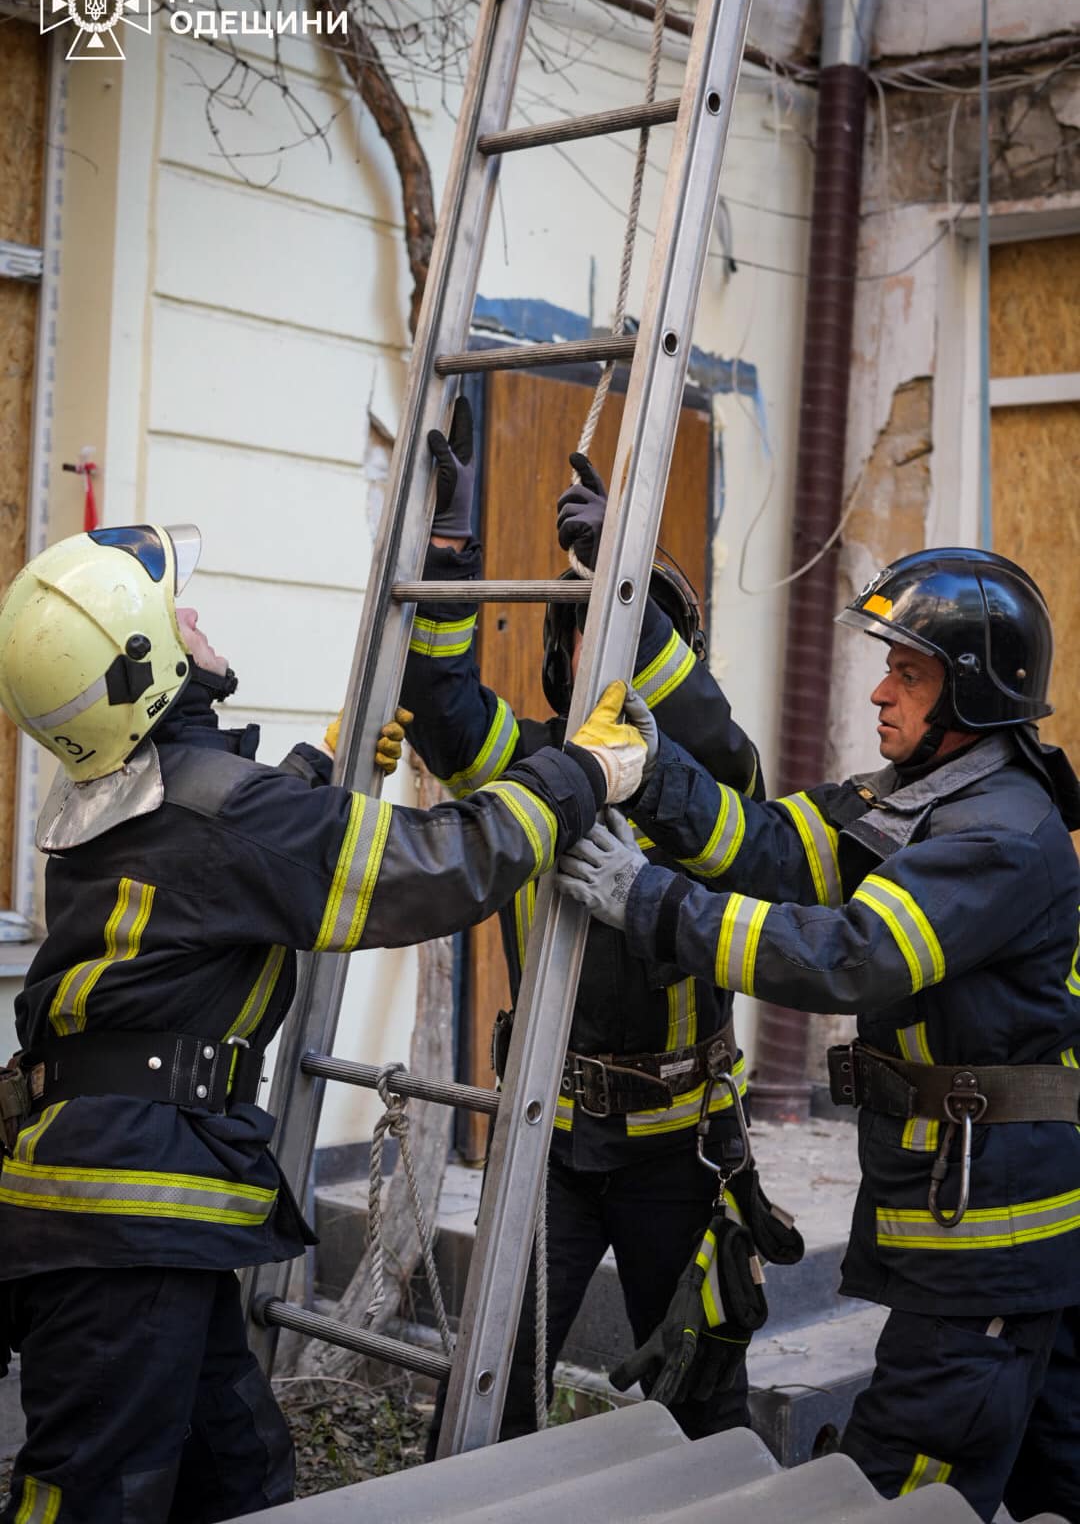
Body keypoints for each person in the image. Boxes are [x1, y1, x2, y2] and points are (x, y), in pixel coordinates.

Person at [0, 519, 652, 1524]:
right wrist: (584, 773)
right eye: (177, 612)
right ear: (147, 663)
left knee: (239, 1472)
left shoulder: (120, 795)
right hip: (130, 1216)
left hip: (127, 1201)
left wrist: (324, 763)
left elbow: (221, 864)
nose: (197, 615)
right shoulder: (220, 815)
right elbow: (442, 866)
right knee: (96, 1495)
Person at [556, 547, 1080, 1522]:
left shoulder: (998, 836)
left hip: (989, 1248)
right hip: (991, 1235)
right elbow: (769, 846)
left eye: (909, 672)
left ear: (968, 690)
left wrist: (648, 899)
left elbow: (852, 952)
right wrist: (653, 771)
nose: (880, 690)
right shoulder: (924, 797)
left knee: (897, 1490)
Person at [404, 401, 796, 1445]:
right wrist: (448, 553)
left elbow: (705, 741)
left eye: (629, 644)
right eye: (587, 641)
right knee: (490, 1388)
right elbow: (443, 714)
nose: (603, 668)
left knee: (705, 1395)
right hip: (554, 1144)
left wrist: (623, 561)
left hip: (681, 1150)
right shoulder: (538, 763)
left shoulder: (717, 779)